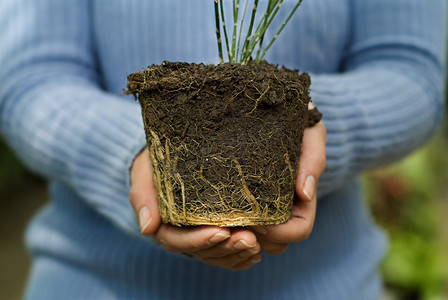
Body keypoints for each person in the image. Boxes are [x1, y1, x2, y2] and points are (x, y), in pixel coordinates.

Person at [0, 1, 445, 299]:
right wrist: (136, 153)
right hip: (93, 284)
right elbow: (27, 82)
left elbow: (413, 74)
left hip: (326, 286)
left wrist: (311, 123)